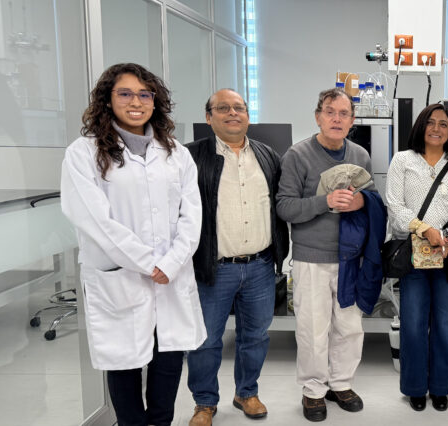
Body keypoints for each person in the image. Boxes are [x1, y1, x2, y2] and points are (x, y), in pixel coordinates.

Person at [60, 63, 205, 426]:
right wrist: (147, 262)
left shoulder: (175, 152)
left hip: (169, 273)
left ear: (156, 101)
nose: (136, 102)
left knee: (169, 356)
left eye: (144, 94)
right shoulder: (84, 152)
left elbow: (192, 214)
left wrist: (171, 262)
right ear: (108, 100)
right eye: (125, 93)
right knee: (123, 360)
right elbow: (94, 219)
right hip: (121, 273)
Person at [185, 89, 289, 425]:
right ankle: (204, 402)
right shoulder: (190, 157)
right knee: (206, 340)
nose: (233, 113)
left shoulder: (267, 155)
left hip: (260, 265)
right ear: (209, 117)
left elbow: (280, 204)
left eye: (239, 108)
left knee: (255, 336)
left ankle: (246, 392)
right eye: (223, 108)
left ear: (247, 115)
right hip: (213, 268)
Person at [276, 88, 371, 422]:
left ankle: (341, 383)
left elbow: (372, 200)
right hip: (311, 258)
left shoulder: (360, 155)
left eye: (344, 114)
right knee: (313, 329)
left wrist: (361, 202)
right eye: (330, 112)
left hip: (350, 258)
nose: (336, 119)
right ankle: (314, 389)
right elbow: (285, 207)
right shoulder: (297, 155)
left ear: (352, 121)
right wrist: (325, 202)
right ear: (318, 116)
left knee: (349, 326)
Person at [385, 103, 448, 412]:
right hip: (414, 254)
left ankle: (440, 387)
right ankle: (414, 387)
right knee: (412, 323)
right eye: (431, 122)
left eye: (444, 124)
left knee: (446, 323)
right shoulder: (402, 160)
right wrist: (425, 229)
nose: (437, 129)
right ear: (421, 126)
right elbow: (394, 205)